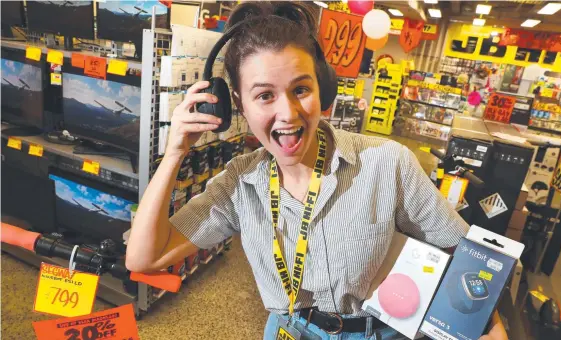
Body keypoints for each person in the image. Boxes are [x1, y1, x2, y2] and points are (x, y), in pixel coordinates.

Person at [126, 2, 508, 339]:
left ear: (323, 90)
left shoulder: (385, 163)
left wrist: (488, 326)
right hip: (288, 330)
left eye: (300, 89)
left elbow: (468, 253)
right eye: (264, 96)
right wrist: (174, 153)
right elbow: (143, 258)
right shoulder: (239, 185)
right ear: (238, 105)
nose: (288, 113)